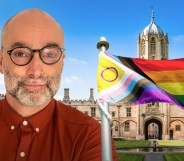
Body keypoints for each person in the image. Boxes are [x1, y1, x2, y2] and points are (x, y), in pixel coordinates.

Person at [0, 8, 118, 161]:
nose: (35, 72)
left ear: (62, 62)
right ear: (1, 62)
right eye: (21, 53)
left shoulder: (90, 134)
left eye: (50, 54)